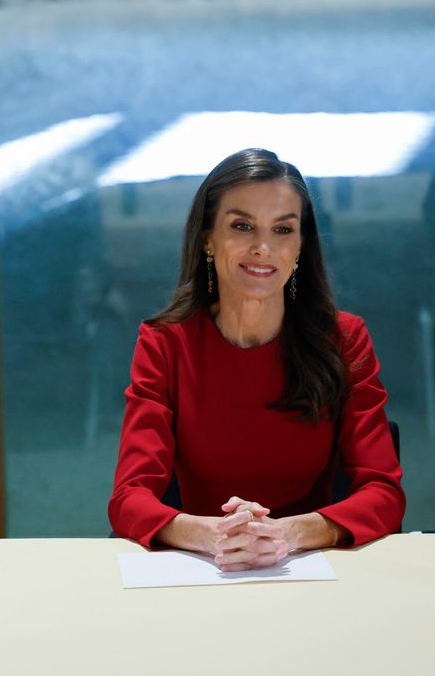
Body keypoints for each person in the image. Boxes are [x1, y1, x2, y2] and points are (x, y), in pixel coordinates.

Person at [108, 148, 404, 570]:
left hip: (310, 567)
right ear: (207, 238)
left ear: (300, 245)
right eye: (242, 226)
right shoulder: (164, 343)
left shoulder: (344, 339)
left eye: (283, 229)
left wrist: (287, 534)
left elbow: (384, 493)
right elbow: (129, 497)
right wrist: (213, 535)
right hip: (203, 568)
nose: (263, 247)